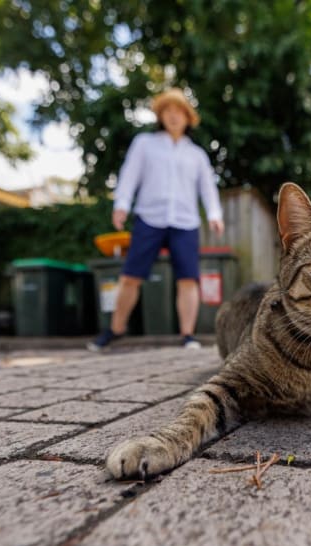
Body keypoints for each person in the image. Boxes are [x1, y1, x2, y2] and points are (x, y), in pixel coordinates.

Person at [88, 88, 224, 352]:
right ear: (161, 116)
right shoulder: (144, 144)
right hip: (149, 218)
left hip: (185, 221)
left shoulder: (196, 155)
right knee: (130, 277)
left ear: (187, 117)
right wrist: (121, 205)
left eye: (178, 111)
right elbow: (129, 176)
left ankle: (187, 335)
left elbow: (208, 188)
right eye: (167, 111)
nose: (173, 116)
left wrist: (215, 215)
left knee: (188, 279)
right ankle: (115, 329)